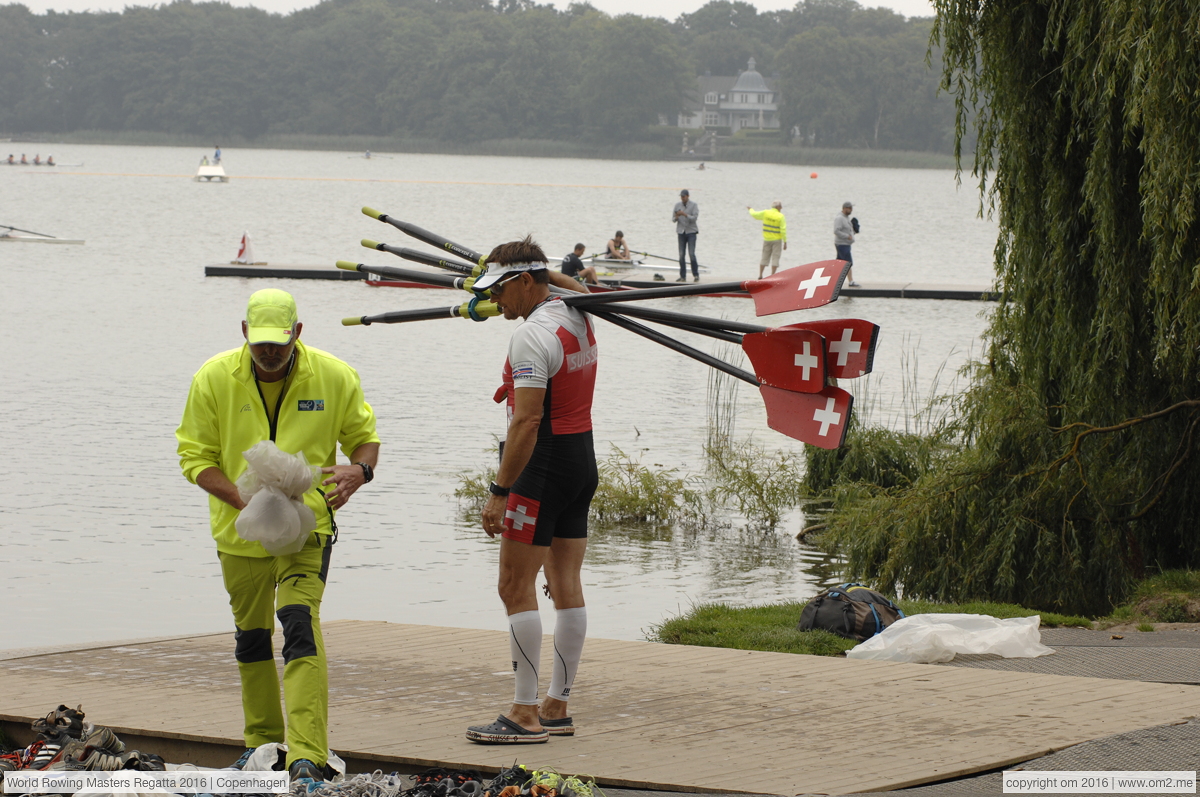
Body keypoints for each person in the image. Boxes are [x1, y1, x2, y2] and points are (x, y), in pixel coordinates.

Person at [176, 289, 380, 782]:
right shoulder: (213, 377)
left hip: (308, 529)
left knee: (298, 624)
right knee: (250, 638)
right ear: (245, 333)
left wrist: (359, 472)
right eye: (260, 343)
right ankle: (262, 745)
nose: (269, 352)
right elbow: (194, 458)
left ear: (298, 334)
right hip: (238, 531)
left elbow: (365, 441)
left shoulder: (333, 374)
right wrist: (245, 501)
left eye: (280, 343)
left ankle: (308, 753)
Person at [465, 237, 597, 745]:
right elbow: (574, 283)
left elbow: (526, 421)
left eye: (499, 290)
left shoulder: (530, 337)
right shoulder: (579, 311)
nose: (494, 300)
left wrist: (500, 490)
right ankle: (556, 705)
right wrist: (548, 274)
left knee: (512, 586)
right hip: (581, 460)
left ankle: (523, 714)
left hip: (540, 468)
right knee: (565, 581)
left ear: (525, 282)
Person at [748, 201, 787, 279]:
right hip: (777, 240)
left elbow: (755, 215)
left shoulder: (766, 213)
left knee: (764, 257)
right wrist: (785, 241)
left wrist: (750, 209)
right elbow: (783, 229)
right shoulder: (780, 216)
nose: (782, 208)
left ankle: (760, 275)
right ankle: (772, 276)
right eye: (781, 206)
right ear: (778, 207)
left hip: (767, 239)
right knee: (775, 257)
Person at [673, 189, 700, 282]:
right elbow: (673, 219)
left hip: (691, 232)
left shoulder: (694, 205)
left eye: (684, 196)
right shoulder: (677, 205)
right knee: (681, 255)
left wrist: (684, 214)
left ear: (688, 196)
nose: (682, 198)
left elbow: (694, 218)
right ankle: (682, 276)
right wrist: (676, 217)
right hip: (681, 232)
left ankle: (696, 275)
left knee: (691, 254)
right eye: (681, 196)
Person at [835, 201, 859, 286]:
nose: (851, 210)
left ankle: (834, 281)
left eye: (851, 208)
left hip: (846, 244)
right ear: (845, 208)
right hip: (842, 244)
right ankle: (851, 281)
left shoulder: (846, 218)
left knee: (839, 264)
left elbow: (847, 230)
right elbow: (836, 231)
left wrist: (854, 231)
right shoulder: (840, 218)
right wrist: (847, 236)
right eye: (850, 208)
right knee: (847, 263)